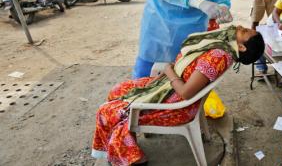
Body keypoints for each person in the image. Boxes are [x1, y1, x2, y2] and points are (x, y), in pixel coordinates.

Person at [92, 25, 265, 165]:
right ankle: (130, 138)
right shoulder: (221, 46)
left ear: (241, 47)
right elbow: (185, 67)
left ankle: (136, 159)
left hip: (177, 107)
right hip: (169, 89)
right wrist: (162, 77)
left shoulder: (218, 56)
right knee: (118, 90)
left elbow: (186, 93)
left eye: (244, 32)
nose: (241, 27)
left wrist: (168, 70)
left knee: (108, 111)